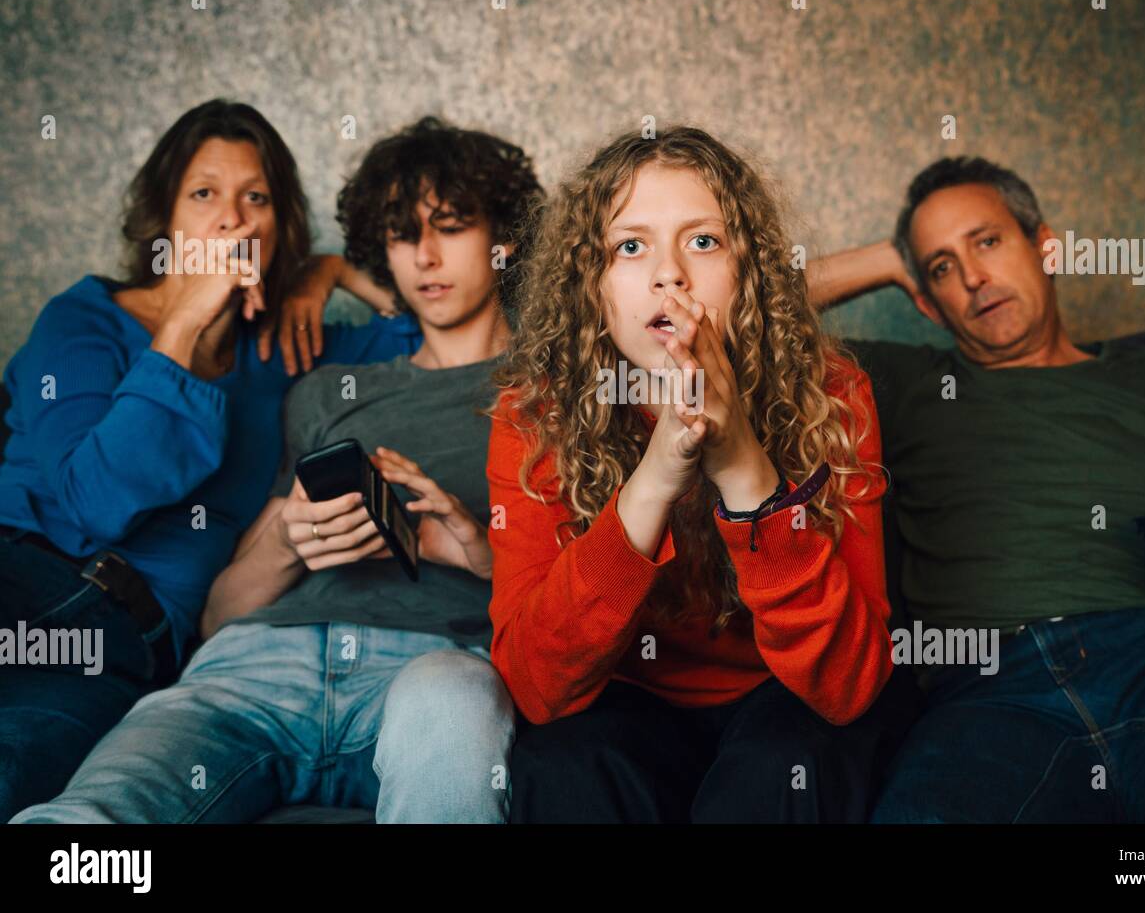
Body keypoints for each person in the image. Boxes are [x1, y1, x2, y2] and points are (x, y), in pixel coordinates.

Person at [12, 116, 540, 824]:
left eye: (449, 226)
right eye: (402, 233)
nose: (425, 256)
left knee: (451, 705)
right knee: (89, 819)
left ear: (501, 239)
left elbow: (589, 603)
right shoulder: (322, 387)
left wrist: (484, 554)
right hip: (238, 659)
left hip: (424, 665)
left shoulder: (544, 399)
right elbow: (208, 603)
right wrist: (286, 539)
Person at [823, 156, 1145, 821]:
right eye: (940, 267)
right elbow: (727, 317)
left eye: (986, 240)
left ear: (1045, 246)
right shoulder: (899, 381)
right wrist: (886, 257)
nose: (972, 277)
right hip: (989, 693)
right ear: (927, 303)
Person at [487, 125, 920, 823]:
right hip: (628, 704)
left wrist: (743, 463)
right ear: (591, 287)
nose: (670, 275)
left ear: (749, 273)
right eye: (630, 246)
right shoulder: (533, 417)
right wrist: (654, 479)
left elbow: (849, 683)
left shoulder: (833, 394)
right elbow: (536, 688)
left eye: (703, 241)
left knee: (790, 767)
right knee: (561, 766)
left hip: (781, 696)